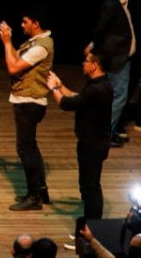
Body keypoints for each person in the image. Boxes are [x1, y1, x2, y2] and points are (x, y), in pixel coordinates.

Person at [48, 52, 113, 218]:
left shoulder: (96, 89)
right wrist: (61, 86)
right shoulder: (102, 84)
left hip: (92, 144)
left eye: (86, 61)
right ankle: (90, 224)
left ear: (95, 65)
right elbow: (79, 98)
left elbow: (67, 104)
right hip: (96, 142)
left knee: (90, 187)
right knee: (89, 185)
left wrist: (54, 88)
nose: (83, 63)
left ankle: (91, 228)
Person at [0, 12, 54, 211]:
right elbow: (16, 60)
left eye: (26, 21)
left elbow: (13, 68)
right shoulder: (34, 42)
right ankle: (41, 189)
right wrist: (9, 41)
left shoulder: (41, 46)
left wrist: (6, 43)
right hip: (26, 100)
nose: (22, 25)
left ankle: (34, 197)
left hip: (29, 102)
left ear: (36, 23)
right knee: (30, 147)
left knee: (25, 149)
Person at [88, 0, 135, 146]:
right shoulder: (111, 3)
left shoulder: (122, 2)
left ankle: (110, 130)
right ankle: (103, 133)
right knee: (119, 96)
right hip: (117, 58)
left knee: (116, 95)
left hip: (121, 56)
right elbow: (101, 29)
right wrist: (94, 49)